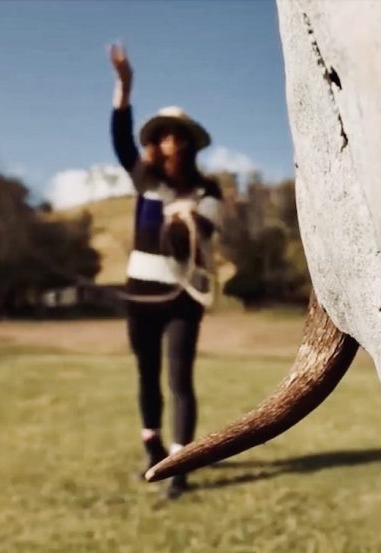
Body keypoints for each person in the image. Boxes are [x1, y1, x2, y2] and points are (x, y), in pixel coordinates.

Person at [108, 42, 223, 499]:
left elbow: (200, 238)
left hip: (180, 298)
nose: (170, 142)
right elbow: (120, 141)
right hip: (140, 294)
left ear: (189, 143)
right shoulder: (146, 181)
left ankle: (180, 464)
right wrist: (124, 87)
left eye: (178, 136)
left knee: (180, 379)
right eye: (163, 136)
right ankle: (153, 448)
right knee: (146, 374)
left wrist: (185, 220)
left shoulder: (205, 190)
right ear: (155, 144)